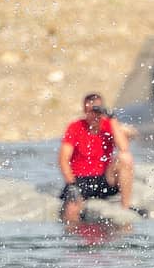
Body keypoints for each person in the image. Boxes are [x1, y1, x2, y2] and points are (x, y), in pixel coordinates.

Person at [57, 92, 136, 224]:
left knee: (125, 158)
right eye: (91, 111)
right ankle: (73, 239)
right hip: (80, 180)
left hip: (104, 178)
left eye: (97, 110)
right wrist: (71, 184)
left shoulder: (108, 125)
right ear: (85, 110)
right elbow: (63, 160)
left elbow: (123, 148)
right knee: (71, 210)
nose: (95, 115)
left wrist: (112, 119)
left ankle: (125, 208)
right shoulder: (75, 127)